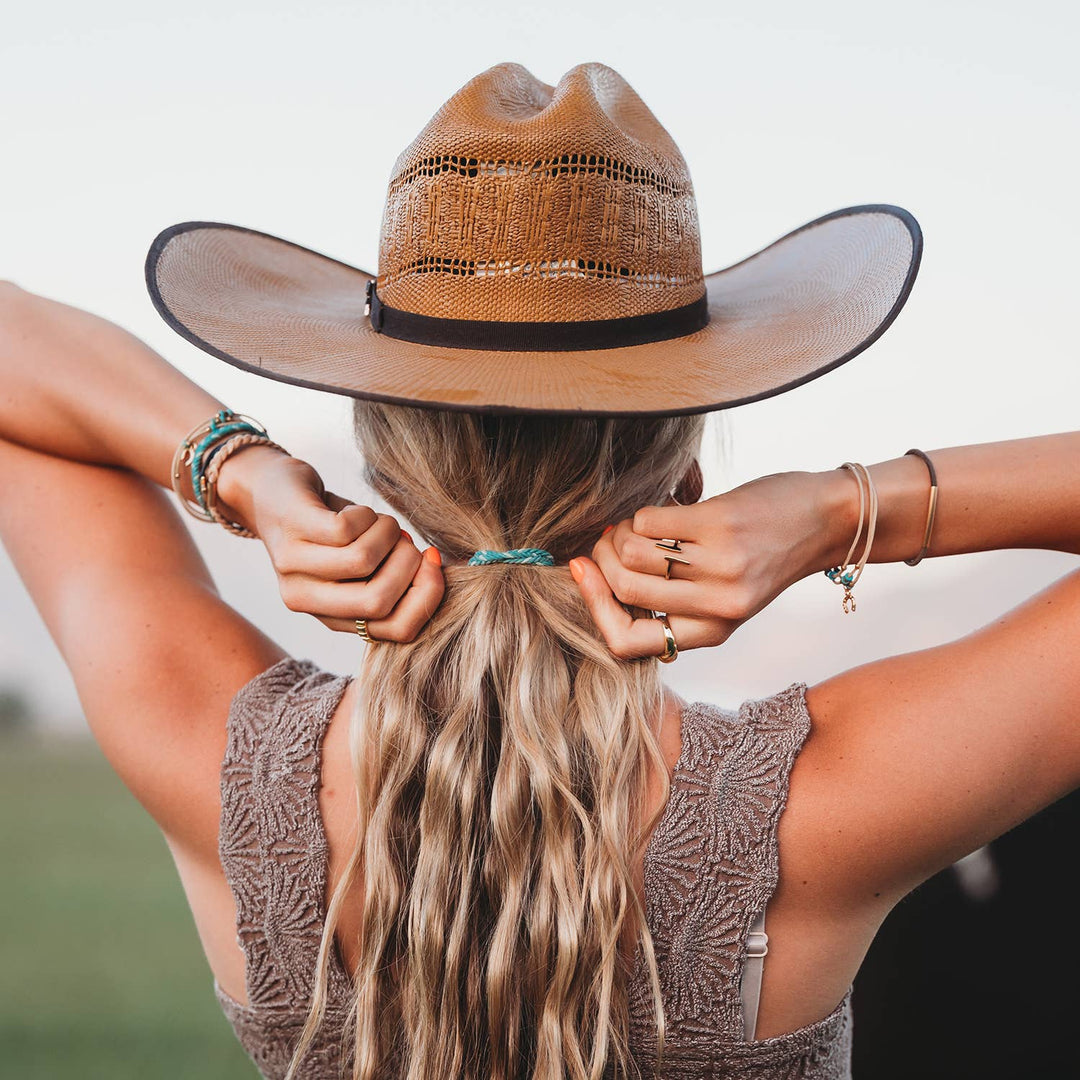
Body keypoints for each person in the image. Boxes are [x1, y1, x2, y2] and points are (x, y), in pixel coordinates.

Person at [1, 61, 1077, 1080]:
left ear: (385, 459)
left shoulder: (224, 763)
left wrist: (239, 471)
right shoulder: (823, 811)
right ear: (688, 473)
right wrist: (846, 509)